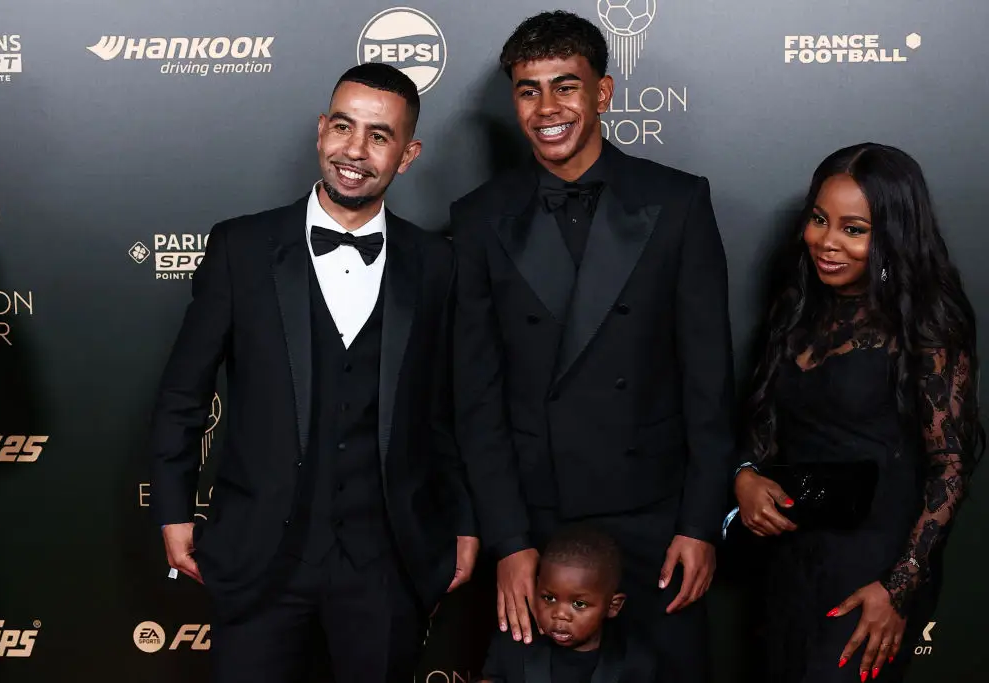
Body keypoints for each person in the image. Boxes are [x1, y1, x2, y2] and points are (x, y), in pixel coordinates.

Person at [148, 62, 478, 683]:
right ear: (321, 129)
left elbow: (448, 412)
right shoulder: (241, 249)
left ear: (407, 155)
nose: (354, 151)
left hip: (388, 563)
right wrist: (172, 510)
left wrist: (463, 520)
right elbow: (182, 394)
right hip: (259, 556)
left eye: (379, 136)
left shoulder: (438, 265)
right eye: (344, 127)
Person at [452, 11, 735, 683]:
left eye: (565, 86)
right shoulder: (478, 219)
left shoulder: (678, 202)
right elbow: (476, 399)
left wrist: (700, 523)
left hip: (656, 522)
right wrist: (510, 540)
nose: (546, 108)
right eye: (528, 90)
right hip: (540, 522)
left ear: (602, 92)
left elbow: (709, 385)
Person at [733, 142, 984, 683]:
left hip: (874, 566)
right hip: (790, 554)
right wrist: (745, 476)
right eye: (820, 220)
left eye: (854, 229)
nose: (827, 242)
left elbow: (951, 468)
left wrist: (897, 588)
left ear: (892, 236)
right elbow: (763, 423)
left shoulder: (929, 328)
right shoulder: (798, 307)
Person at [478, 524, 656, 683]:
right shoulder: (512, 645)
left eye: (579, 604)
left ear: (613, 606)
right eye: (549, 598)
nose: (559, 614)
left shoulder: (634, 662)